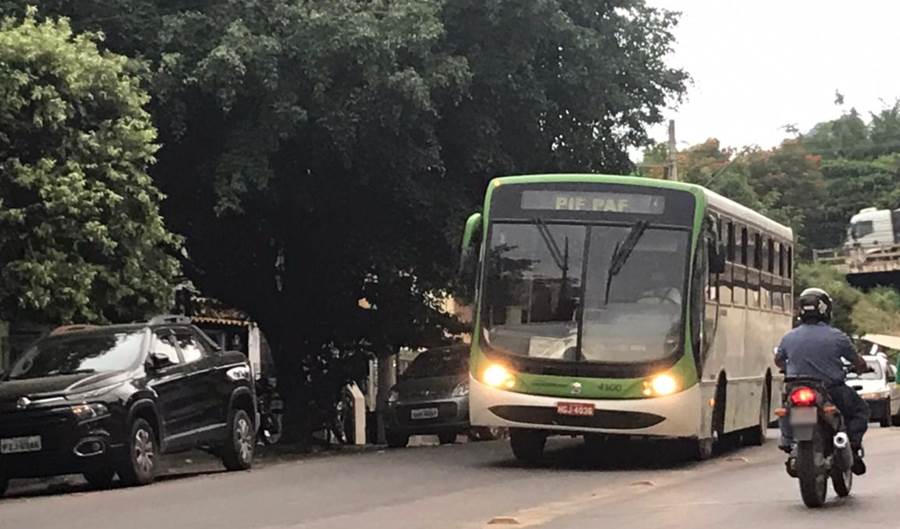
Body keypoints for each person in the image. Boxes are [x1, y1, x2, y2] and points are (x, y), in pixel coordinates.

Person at [775, 287, 871, 475]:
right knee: (861, 410)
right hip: (830, 390)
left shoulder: (789, 337)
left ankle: (790, 443)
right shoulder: (837, 337)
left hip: (796, 388)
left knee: (786, 409)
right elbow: (857, 361)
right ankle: (852, 446)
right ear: (825, 309)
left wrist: (788, 368)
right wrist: (861, 368)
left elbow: (778, 360)